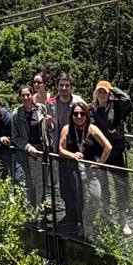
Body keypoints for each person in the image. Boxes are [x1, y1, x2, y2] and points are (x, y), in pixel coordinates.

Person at [58, 102, 112, 239]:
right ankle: (83, 227)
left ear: (87, 115)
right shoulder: (67, 128)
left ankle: (88, 223)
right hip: (73, 171)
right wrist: (73, 155)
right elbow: (60, 149)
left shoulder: (92, 129)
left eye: (82, 113)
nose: (79, 116)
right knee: (78, 199)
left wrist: (99, 164)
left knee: (95, 196)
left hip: (90, 170)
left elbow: (108, 147)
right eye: (76, 114)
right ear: (72, 115)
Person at [91, 80, 133, 235]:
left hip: (116, 152)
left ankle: (123, 220)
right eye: (99, 91)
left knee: (121, 186)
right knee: (103, 188)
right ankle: (107, 216)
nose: (102, 94)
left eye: (104, 91)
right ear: (95, 93)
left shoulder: (116, 107)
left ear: (109, 94)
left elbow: (127, 100)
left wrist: (112, 87)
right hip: (100, 154)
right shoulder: (91, 110)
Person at [45, 73, 83, 232]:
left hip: (77, 149)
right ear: (57, 86)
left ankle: (82, 219)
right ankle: (70, 216)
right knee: (65, 186)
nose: (64, 88)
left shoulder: (78, 101)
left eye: (67, 85)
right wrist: (48, 124)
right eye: (61, 85)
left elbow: (87, 120)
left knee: (79, 186)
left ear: (71, 86)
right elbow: (50, 127)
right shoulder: (52, 103)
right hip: (60, 150)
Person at [12, 85, 50, 209]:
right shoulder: (16, 114)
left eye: (28, 94)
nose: (26, 97)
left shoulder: (41, 109)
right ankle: (32, 210)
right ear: (20, 97)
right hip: (27, 152)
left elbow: (47, 129)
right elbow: (15, 136)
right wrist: (27, 147)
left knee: (43, 182)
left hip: (41, 151)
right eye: (23, 95)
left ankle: (42, 209)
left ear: (32, 95)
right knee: (29, 182)